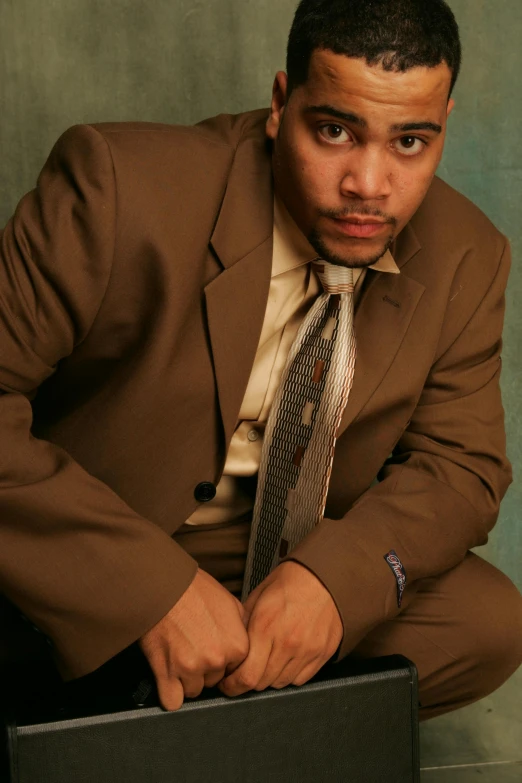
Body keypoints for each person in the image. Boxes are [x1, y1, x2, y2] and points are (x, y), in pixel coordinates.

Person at [1, 0, 521, 723]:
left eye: (410, 141)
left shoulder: (470, 252)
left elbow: (460, 466)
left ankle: (169, 733)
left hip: (278, 560)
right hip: (100, 535)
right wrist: (143, 587)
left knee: (487, 620)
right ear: (281, 104)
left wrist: (334, 583)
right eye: (335, 131)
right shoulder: (117, 188)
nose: (369, 185)